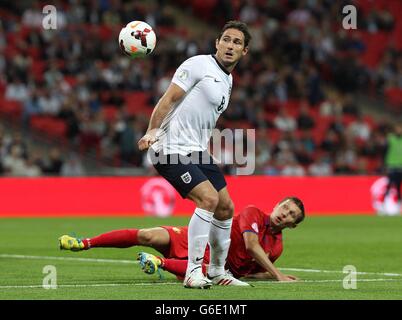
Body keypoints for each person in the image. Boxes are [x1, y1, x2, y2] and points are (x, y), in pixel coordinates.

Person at [137, 21, 251, 288]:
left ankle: (217, 271)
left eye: (237, 42)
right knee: (209, 199)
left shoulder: (228, 79)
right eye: (226, 39)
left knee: (226, 207)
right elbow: (168, 99)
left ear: (244, 51)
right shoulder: (197, 64)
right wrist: (152, 130)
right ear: (216, 43)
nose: (230, 46)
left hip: (196, 150)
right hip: (169, 148)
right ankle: (192, 272)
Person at [59, 196, 305, 283]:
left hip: (213, 267)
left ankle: (158, 263)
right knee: (146, 234)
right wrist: (278, 276)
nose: (285, 213)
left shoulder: (276, 247)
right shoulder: (253, 213)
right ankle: (85, 242)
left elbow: (247, 271)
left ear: (292, 225)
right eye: (285, 207)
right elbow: (251, 246)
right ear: (276, 205)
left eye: (291, 215)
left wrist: (269, 276)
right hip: (197, 239)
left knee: (209, 272)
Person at [383, 124, 402, 206]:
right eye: (398, 128)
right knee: (390, 183)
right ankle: (384, 204)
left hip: (400, 165)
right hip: (391, 164)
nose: (399, 130)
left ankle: (398, 204)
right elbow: (385, 151)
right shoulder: (390, 138)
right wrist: (385, 164)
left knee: (398, 185)